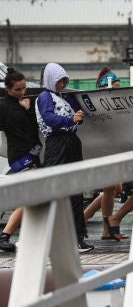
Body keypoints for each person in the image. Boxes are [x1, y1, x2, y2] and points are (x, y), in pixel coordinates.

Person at [36, 63, 93, 252]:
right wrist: (71, 119)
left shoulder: (63, 97)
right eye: (59, 80)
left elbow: (74, 119)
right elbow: (49, 120)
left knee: (75, 192)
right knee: (56, 191)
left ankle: (78, 238)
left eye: (64, 80)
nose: (62, 84)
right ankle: (48, 236)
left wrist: (78, 116)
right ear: (51, 79)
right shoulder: (44, 97)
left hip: (71, 143)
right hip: (57, 144)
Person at [83, 68, 130, 241]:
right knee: (110, 188)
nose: (117, 90)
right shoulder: (96, 102)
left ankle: (85, 218)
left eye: (118, 86)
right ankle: (105, 229)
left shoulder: (112, 103)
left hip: (111, 149)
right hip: (103, 150)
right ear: (105, 87)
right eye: (114, 87)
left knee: (114, 189)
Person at [0, 68, 43, 252]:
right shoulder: (3, 105)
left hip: (31, 152)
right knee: (32, 196)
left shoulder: (23, 103)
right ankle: (6, 235)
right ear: (8, 89)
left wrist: (26, 109)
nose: (22, 92)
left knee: (30, 197)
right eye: (18, 89)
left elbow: (32, 129)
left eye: (24, 88)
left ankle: (25, 236)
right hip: (19, 155)